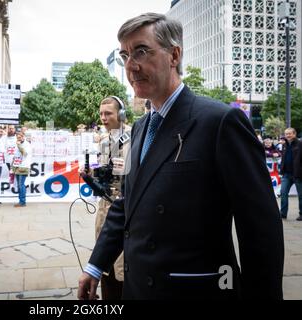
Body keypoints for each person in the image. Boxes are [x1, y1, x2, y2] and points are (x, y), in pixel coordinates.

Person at [78, 12, 284, 300]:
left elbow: (261, 231)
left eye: (141, 51)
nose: (131, 66)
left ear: (174, 55)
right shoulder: (139, 128)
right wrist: (96, 265)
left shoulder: (221, 122)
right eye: (125, 55)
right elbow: (126, 204)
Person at [92, 96, 132, 300]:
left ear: (121, 114)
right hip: (104, 209)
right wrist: (92, 177)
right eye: (101, 114)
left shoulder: (135, 137)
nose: (103, 118)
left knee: (124, 272)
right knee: (104, 266)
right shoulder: (104, 142)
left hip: (126, 211)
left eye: (108, 113)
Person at [279, 128, 302, 221]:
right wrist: (282, 170)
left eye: (289, 134)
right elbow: (284, 159)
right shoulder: (285, 145)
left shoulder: (300, 144)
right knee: (283, 193)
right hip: (286, 174)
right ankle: (283, 213)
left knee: (301, 195)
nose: (287, 135)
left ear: (294, 134)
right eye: (286, 134)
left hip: (298, 174)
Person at [12, 131, 32, 208]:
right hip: (17, 166)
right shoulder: (16, 144)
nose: (19, 138)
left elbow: (25, 153)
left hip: (23, 167)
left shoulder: (27, 144)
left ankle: (22, 202)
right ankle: (20, 201)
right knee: (19, 185)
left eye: (20, 137)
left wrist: (19, 145)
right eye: (17, 137)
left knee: (21, 185)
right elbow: (15, 155)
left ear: (23, 136)